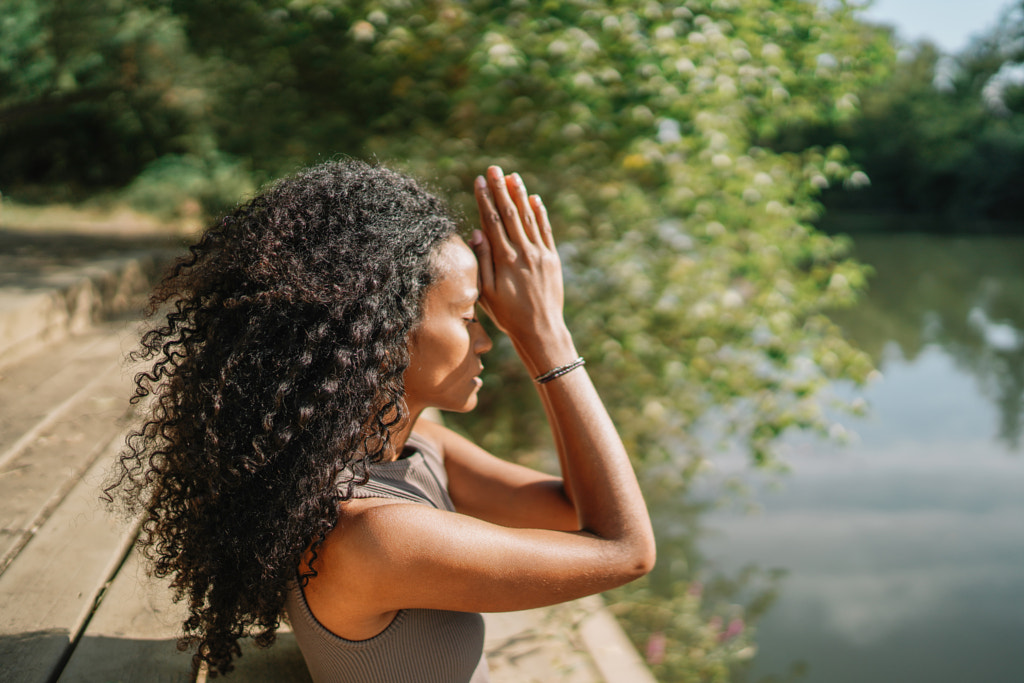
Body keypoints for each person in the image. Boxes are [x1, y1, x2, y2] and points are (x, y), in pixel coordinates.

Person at [108, 159, 655, 682]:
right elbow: (627, 552)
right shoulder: (373, 534)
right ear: (383, 335)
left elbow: (571, 510)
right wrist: (547, 336)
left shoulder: (412, 454)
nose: (488, 339)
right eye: (469, 317)